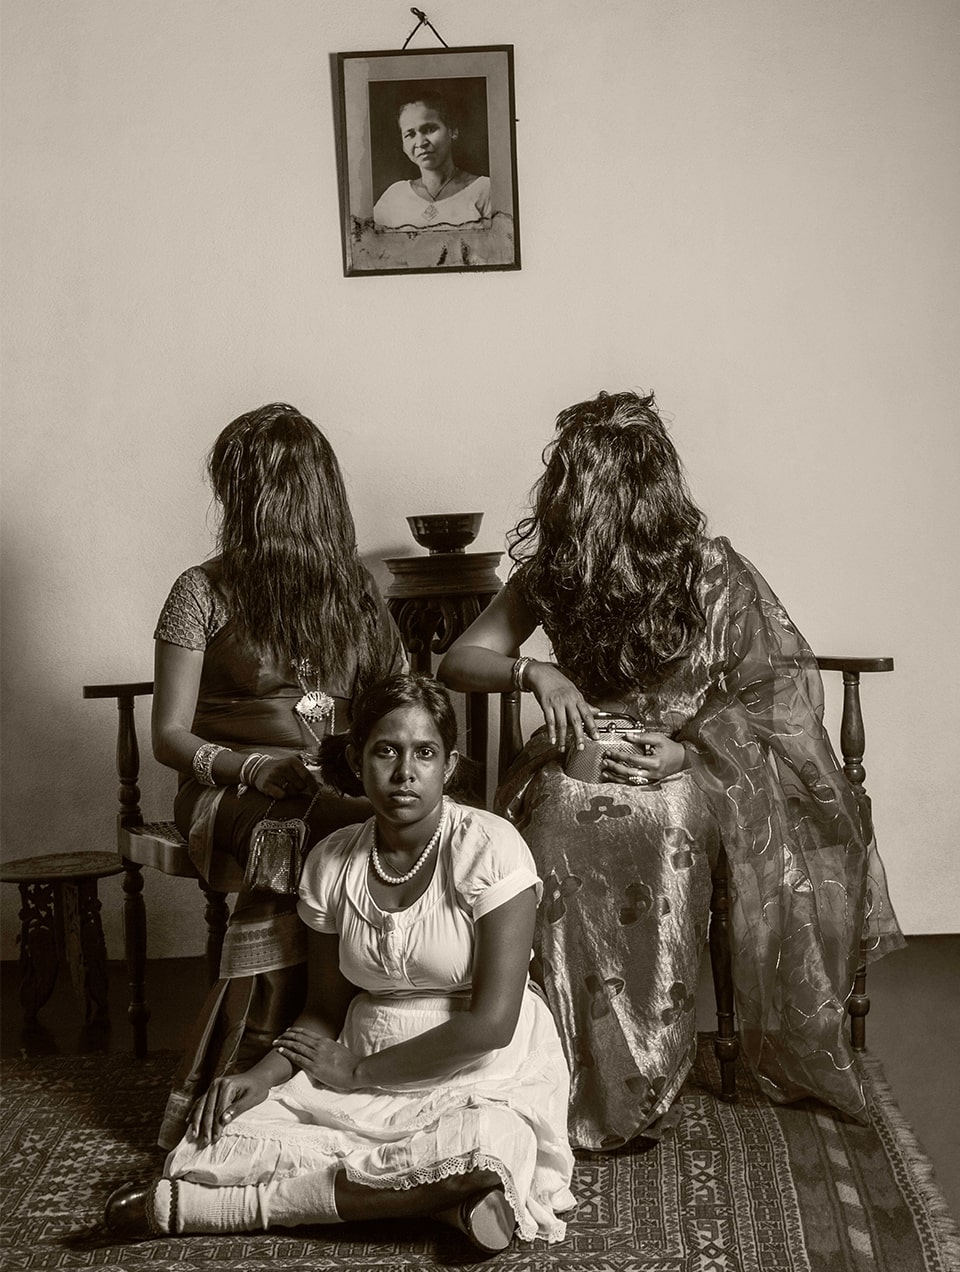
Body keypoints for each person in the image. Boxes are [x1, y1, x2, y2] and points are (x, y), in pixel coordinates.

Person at [438, 389, 904, 1153]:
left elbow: (760, 695)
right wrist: (537, 677)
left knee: (668, 821)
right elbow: (462, 658)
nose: (568, 495)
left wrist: (687, 749)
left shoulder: (711, 570)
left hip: (689, 765)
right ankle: (564, 1074)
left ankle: (643, 1083)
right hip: (575, 762)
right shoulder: (554, 573)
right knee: (552, 826)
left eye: (581, 482)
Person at [105, 673, 575, 1255]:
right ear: (357, 758)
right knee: (218, 1138)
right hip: (363, 1046)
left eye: (425, 753)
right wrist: (261, 1075)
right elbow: (323, 1012)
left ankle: (228, 1209)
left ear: (449, 766)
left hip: (477, 1066)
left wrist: (356, 1073)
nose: (405, 773)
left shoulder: (490, 845)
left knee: (487, 1145)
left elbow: (491, 1025)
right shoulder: (332, 862)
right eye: (386, 751)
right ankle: (441, 1204)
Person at [151, 403, 405, 1149]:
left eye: (241, 488)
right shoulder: (199, 590)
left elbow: (395, 700)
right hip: (227, 789)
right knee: (320, 830)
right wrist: (255, 766)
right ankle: (260, 1063)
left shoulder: (356, 593)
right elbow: (168, 736)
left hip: (335, 783)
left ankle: (387, 1045)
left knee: (422, 825)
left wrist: (377, 763)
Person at [373, 89, 493, 230]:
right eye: (410, 134)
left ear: (452, 131)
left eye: (429, 129)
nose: (421, 142)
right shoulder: (395, 197)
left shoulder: (484, 190)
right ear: (403, 146)